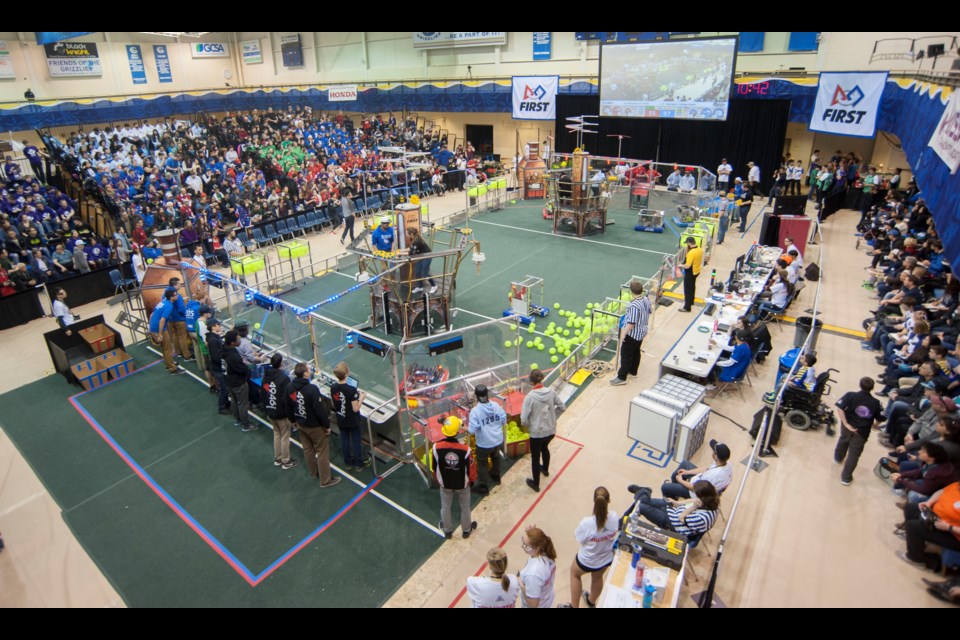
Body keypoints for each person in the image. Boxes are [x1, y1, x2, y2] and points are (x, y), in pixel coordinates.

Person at [286, 363, 341, 488]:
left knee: (308, 449)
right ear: (305, 374)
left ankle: (313, 473)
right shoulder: (311, 389)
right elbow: (319, 410)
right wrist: (326, 425)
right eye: (308, 370)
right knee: (322, 452)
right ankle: (325, 480)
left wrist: (293, 420)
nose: (310, 371)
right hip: (314, 426)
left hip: (300, 423)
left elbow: (288, 406)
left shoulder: (290, 387)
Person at [566, 487, 618, 609]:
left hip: (586, 560)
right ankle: (591, 602)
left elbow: (579, 539)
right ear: (609, 501)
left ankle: (574, 606)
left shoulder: (586, 523)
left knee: (574, 574)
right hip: (605, 559)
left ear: (594, 501)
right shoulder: (614, 517)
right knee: (597, 577)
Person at [432, 415, 477, 540]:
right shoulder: (465, 450)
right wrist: (472, 481)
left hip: (445, 484)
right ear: (458, 432)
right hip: (462, 484)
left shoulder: (436, 448)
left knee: (445, 507)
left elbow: (434, 467)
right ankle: (466, 530)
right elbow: (471, 469)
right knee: (465, 507)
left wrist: (439, 480)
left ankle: (447, 530)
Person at [896, 481, 960, 568]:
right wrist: (929, 502)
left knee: (913, 526)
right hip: (937, 517)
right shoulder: (957, 485)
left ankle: (916, 559)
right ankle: (912, 538)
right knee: (910, 508)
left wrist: (949, 527)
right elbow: (941, 492)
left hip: (953, 534)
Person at [833, 377, 884, 486]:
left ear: (860, 385)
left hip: (848, 425)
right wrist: (875, 425)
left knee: (843, 440)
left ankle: (838, 458)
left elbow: (840, 408)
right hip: (862, 431)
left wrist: (846, 423)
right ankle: (846, 478)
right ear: (872, 387)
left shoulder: (850, 395)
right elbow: (881, 418)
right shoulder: (876, 403)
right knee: (854, 454)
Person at [521, 368, 565, 492]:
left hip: (536, 434)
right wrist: (552, 417)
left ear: (531, 382)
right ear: (543, 378)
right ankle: (545, 469)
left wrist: (531, 424)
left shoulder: (529, 398)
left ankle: (536, 484)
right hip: (550, 431)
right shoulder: (551, 392)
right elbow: (562, 407)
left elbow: (523, 419)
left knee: (535, 457)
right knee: (545, 448)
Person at [630, 481, 721, 538]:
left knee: (640, 506)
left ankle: (643, 491)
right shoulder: (710, 499)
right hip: (673, 509)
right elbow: (692, 500)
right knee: (641, 502)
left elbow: (681, 518)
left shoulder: (703, 519)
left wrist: (693, 507)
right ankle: (643, 492)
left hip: (672, 523)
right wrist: (677, 503)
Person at [652, 438, 733, 500]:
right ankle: (676, 490)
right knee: (684, 464)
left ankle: (672, 503)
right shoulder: (727, 464)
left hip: (696, 494)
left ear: (715, 456)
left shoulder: (712, 475)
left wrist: (681, 480)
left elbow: (695, 488)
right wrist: (687, 472)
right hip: (702, 484)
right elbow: (706, 468)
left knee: (665, 487)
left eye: (713, 451)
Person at [330, 361, 370, 472]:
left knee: (345, 440)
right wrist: (361, 397)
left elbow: (334, 403)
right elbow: (355, 408)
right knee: (356, 442)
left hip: (341, 418)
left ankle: (347, 462)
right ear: (347, 373)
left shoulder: (333, 387)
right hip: (353, 420)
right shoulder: (351, 390)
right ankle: (358, 464)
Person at [610, 279, 653, 384]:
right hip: (642, 332)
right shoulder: (646, 299)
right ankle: (633, 372)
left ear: (631, 292)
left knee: (626, 355)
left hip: (632, 334)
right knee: (636, 351)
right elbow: (650, 311)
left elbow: (631, 322)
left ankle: (621, 378)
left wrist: (624, 334)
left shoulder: (633, 305)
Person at [468, 384, 507, 495]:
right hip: (497, 440)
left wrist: (462, 426)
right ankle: (496, 477)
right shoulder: (496, 405)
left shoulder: (475, 411)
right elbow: (504, 419)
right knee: (496, 458)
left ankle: (483, 486)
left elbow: (472, 430)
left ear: (476, 396)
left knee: (482, 464)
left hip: (484, 444)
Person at [262, 354, 297, 469]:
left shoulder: (266, 376)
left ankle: (278, 458)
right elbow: (286, 399)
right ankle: (286, 461)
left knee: (276, 434)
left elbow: (264, 393)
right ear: (281, 364)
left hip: (270, 411)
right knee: (285, 436)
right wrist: (290, 415)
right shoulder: (284, 378)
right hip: (281, 414)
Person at [222, 330, 257, 431]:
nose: (239, 339)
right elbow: (241, 369)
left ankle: (238, 419)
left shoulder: (226, 350)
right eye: (237, 339)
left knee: (234, 400)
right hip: (239, 382)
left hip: (231, 380)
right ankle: (246, 424)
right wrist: (248, 366)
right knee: (242, 404)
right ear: (232, 342)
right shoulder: (232, 355)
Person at [518, 526, 557, 609]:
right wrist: (531, 533)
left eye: (526, 546)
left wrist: (522, 586)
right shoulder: (546, 551)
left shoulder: (533, 574)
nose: (523, 547)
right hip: (547, 599)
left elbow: (533, 604)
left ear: (537, 547)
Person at [149, 289, 181, 374]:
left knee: (165, 347)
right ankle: (172, 368)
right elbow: (162, 320)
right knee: (167, 348)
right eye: (175, 295)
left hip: (154, 326)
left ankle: (169, 363)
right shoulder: (169, 306)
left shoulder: (163, 302)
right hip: (159, 328)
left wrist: (151, 327)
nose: (177, 295)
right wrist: (159, 334)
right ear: (171, 297)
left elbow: (151, 315)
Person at [164, 278, 194, 361]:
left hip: (170, 319)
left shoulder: (165, 293)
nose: (180, 285)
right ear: (175, 285)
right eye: (179, 284)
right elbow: (181, 309)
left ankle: (179, 352)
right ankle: (187, 355)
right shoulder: (177, 296)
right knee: (182, 337)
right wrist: (186, 315)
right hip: (179, 319)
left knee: (175, 336)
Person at [205, 319, 231, 415]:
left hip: (216, 366)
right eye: (218, 324)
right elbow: (216, 356)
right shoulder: (213, 340)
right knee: (223, 388)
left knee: (223, 387)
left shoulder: (212, 337)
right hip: (217, 368)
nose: (219, 326)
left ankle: (226, 403)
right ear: (213, 327)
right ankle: (222, 407)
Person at [406, 228, 436, 295]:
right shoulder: (414, 238)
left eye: (407, 234)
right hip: (421, 256)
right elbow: (410, 248)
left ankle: (434, 286)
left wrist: (399, 253)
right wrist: (401, 251)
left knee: (424, 273)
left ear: (411, 234)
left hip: (427, 256)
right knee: (417, 272)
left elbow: (411, 253)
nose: (406, 235)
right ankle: (420, 286)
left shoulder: (417, 241)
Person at [679, 237, 703, 313]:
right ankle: (691, 301)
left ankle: (687, 307)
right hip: (697, 271)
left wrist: (679, 265)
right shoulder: (699, 249)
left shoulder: (691, 253)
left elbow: (687, 265)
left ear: (689, 243)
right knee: (692, 287)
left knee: (687, 289)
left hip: (690, 272)